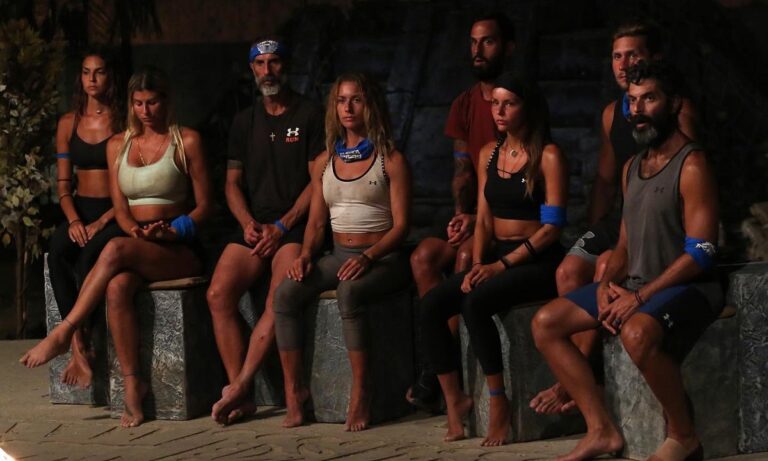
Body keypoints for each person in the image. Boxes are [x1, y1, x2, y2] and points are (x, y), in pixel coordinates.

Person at [532, 60, 721, 461]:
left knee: (636, 333)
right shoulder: (631, 167)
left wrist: (639, 298)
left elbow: (702, 252)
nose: (637, 110)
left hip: (689, 287)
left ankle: (684, 436)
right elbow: (623, 245)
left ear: (673, 104)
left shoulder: (692, 164)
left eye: (649, 99)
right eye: (632, 101)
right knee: (546, 323)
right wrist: (605, 284)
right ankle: (601, 430)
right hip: (638, 285)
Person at [21, 67, 214, 428]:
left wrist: (174, 230)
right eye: (138, 103)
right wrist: (135, 231)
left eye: (152, 102)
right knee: (116, 287)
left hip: (179, 249)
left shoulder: (186, 140)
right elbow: (122, 210)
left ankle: (65, 331)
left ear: (166, 101)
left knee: (113, 251)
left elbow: (205, 206)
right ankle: (133, 385)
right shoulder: (117, 145)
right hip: (138, 242)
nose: (145, 111)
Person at [418, 71, 568, 446]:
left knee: (475, 303)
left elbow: (552, 229)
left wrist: (500, 266)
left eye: (509, 104)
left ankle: (499, 401)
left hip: (538, 260)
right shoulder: (489, 153)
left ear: (527, 107)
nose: (499, 111)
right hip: (497, 257)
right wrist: (476, 265)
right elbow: (483, 220)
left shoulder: (548, 156)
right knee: (432, 304)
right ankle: (455, 400)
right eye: (495, 104)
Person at [272, 73, 412, 432]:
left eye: (356, 100)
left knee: (349, 291)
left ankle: (361, 392)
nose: (348, 108)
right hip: (337, 254)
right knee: (285, 293)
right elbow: (317, 222)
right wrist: (305, 255)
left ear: (371, 106)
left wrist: (368, 257)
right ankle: (295, 392)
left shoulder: (390, 158)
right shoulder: (325, 162)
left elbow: (401, 227)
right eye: (341, 100)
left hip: (382, 258)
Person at [206, 36, 325, 425]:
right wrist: (247, 223)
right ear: (252, 70)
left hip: (293, 225)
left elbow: (318, 183)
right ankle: (240, 394)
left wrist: (283, 225)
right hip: (256, 226)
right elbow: (231, 184)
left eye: (274, 62)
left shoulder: (310, 114)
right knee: (217, 293)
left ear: (285, 66)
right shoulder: (245, 120)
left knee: (278, 295)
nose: (267, 70)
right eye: (260, 64)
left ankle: (240, 386)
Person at [407, 11, 516, 411]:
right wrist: (459, 215)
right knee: (423, 257)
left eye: (487, 41)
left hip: (504, 217)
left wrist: (477, 220)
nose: (478, 50)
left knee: (467, 259)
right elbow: (461, 171)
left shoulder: (516, 101)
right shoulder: (464, 104)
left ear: (507, 47)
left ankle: (438, 369)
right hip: (471, 215)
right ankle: (438, 362)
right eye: (473, 42)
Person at [47, 48, 125, 389]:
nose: (92, 78)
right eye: (85, 72)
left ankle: (85, 338)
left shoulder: (123, 121)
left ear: (110, 77)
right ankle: (78, 343)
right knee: (57, 250)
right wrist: (75, 221)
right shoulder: (68, 123)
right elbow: (64, 185)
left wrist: (101, 222)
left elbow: (130, 186)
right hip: (80, 209)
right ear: (80, 77)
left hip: (115, 210)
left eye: (99, 71)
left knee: (90, 254)